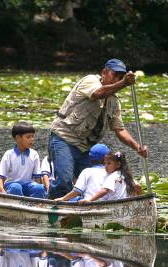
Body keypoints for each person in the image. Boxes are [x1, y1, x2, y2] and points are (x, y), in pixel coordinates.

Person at [47, 58, 148, 199]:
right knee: (64, 180)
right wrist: (124, 82)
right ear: (104, 73)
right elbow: (98, 94)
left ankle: (82, 210)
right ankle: (53, 209)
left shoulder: (114, 101)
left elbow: (119, 129)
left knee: (92, 183)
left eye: (120, 77)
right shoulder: (90, 81)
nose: (117, 80)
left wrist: (138, 147)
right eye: (115, 76)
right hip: (64, 138)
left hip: (84, 147)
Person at [0, 121, 47, 198]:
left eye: (33, 136)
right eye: (28, 137)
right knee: (16, 187)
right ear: (18, 138)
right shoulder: (9, 154)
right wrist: (1, 191)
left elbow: (37, 177)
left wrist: (41, 191)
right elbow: (0, 175)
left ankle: (37, 206)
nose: (32, 139)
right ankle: (17, 205)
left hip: (28, 185)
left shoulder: (34, 154)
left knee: (39, 188)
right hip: (12, 185)